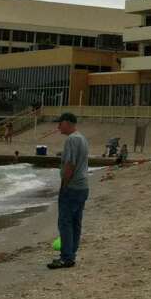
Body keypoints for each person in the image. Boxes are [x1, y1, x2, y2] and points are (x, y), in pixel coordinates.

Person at [49, 112, 89, 270]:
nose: (58, 126)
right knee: (75, 222)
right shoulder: (82, 138)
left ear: (67, 123)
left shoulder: (72, 139)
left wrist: (64, 185)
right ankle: (71, 253)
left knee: (65, 222)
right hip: (83, 186)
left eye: (60, 123)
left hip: (72, 186)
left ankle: (67, 257)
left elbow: (70, 165)